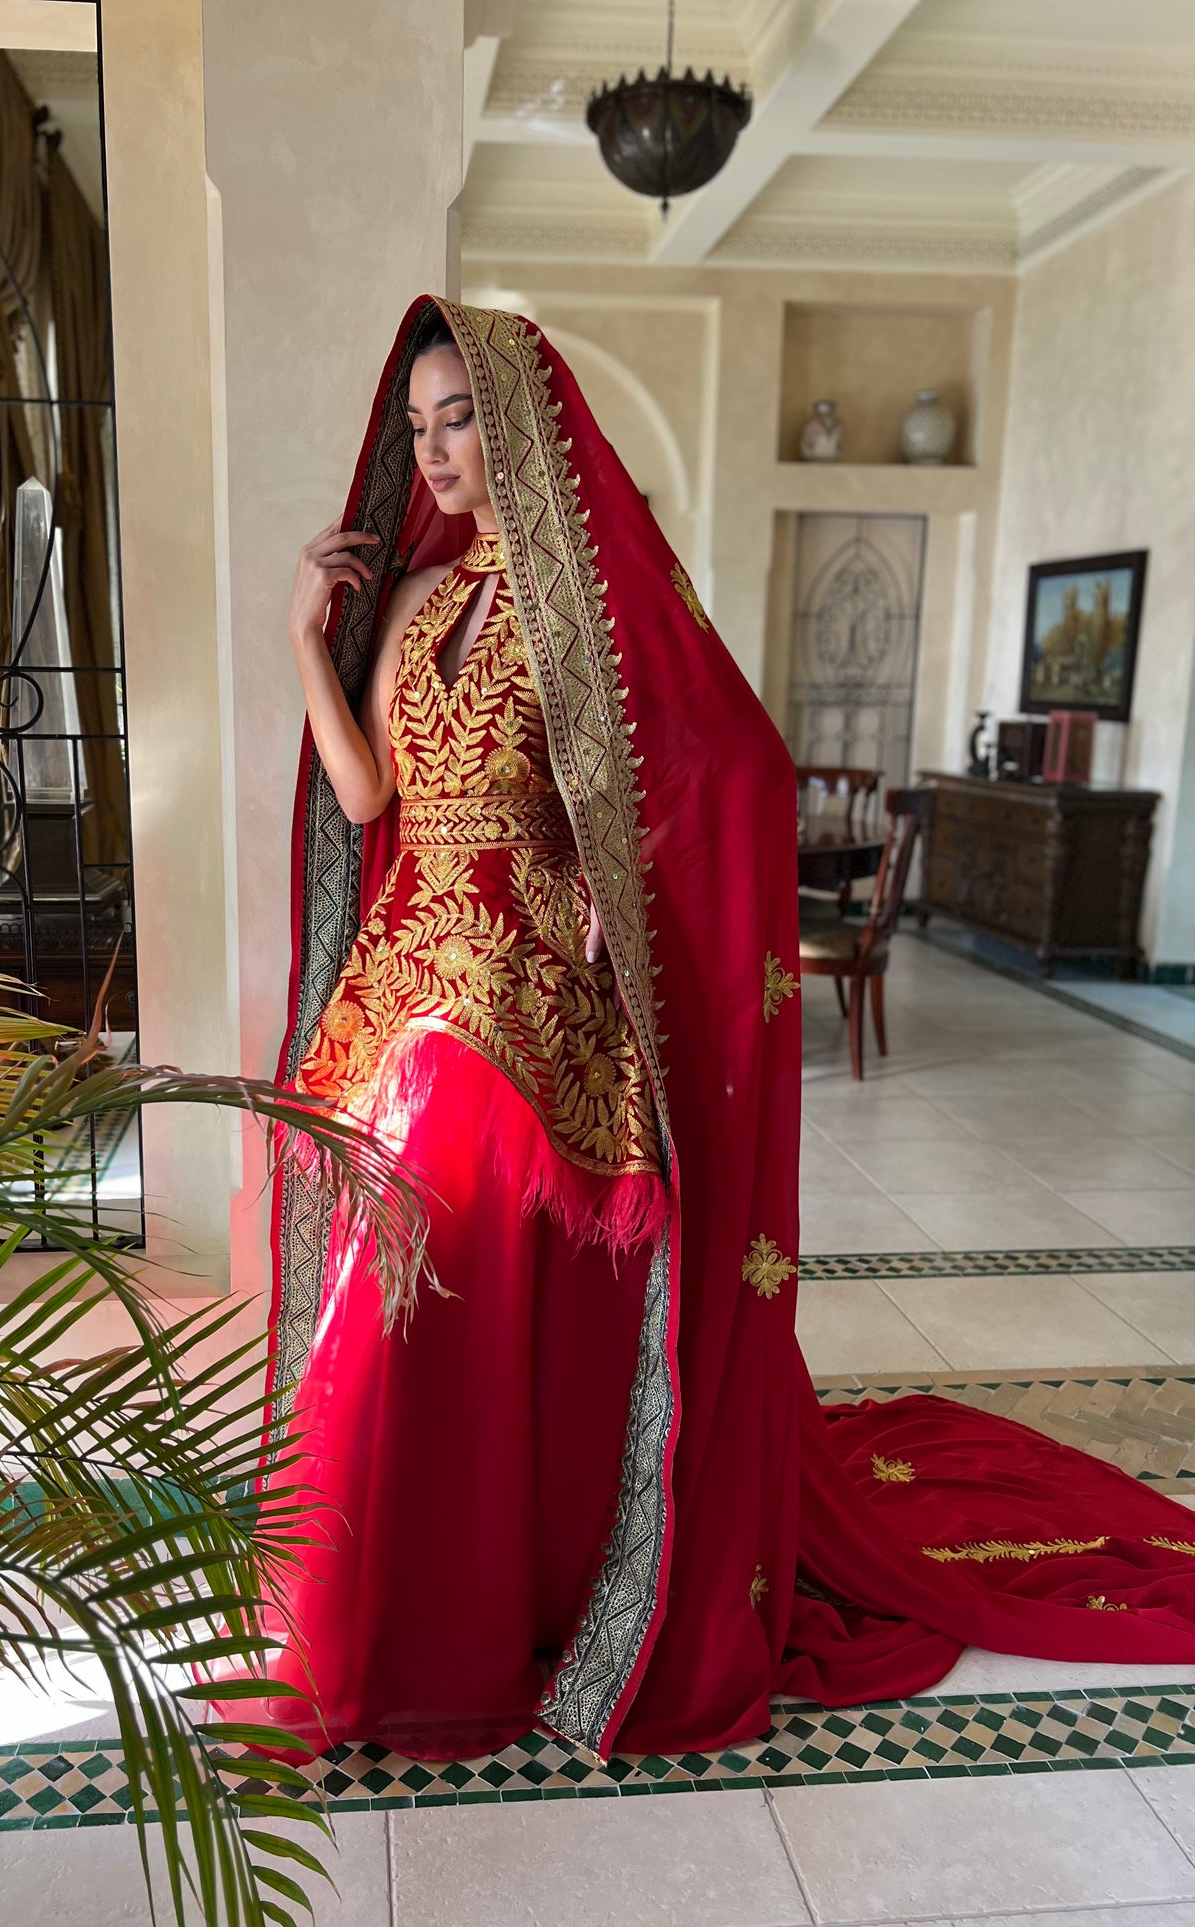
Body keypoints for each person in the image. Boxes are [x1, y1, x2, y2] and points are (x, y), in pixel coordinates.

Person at [239, 296, 1195, 1765]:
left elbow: (723, 763)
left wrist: (635, 909)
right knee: (391, 1296)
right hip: (397, 985)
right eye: (419, 426)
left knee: (454, 1291)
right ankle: (371, 1605)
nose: (436, 453)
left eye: (463, 421)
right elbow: (366, 798)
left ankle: (475, 1613)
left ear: (522, 426)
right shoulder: (415, 606)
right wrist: (305, 634)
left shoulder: (587, 614)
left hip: (517, 999)